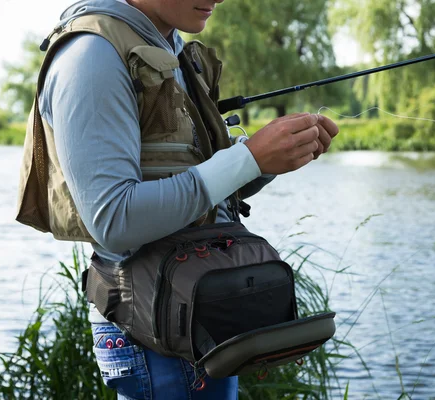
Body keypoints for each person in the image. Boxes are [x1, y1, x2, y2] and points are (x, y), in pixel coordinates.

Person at [17, 0, 339, 398]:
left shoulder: (170, 46)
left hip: (196, 316)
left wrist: (268, 160)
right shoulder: (91, 56)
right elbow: (115, 220)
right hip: (154, 333)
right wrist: (249, 158)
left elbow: (195, 179)